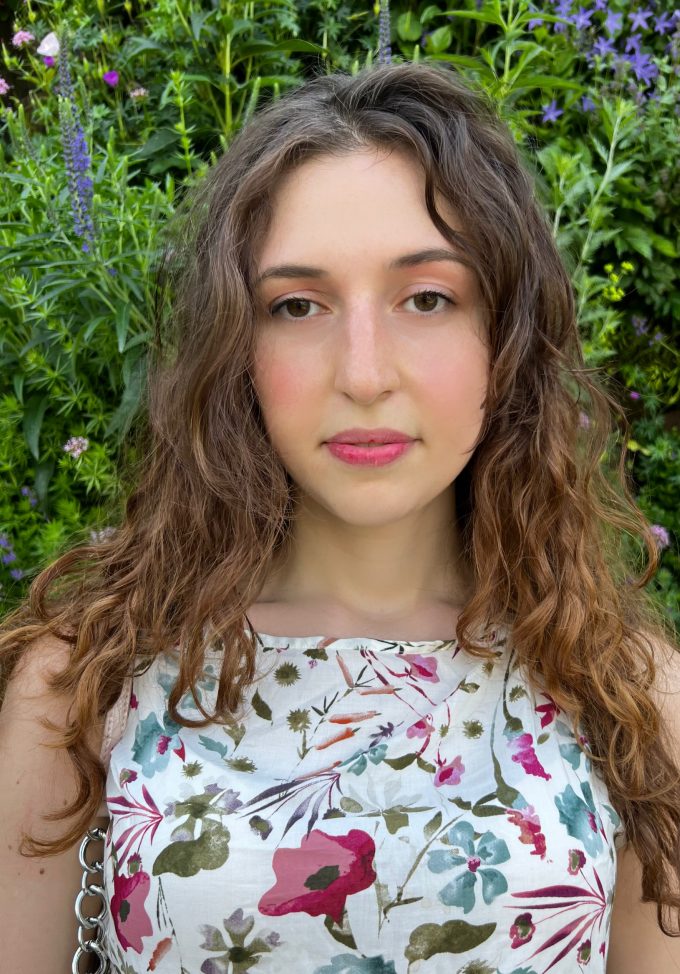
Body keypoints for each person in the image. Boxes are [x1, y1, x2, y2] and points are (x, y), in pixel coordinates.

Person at [1, 60, 679, 974]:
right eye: (297, 306)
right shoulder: (84, 686)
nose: (363, 374)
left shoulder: (633, 699)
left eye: (427, 298)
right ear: (235, 348)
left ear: (508, 336)